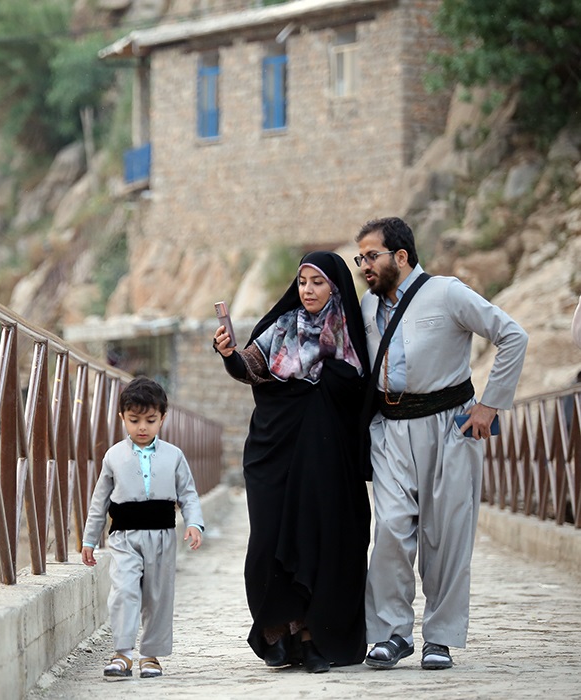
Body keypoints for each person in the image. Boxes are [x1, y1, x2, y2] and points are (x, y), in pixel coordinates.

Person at [354, 217, 528, 671]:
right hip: (390, 429)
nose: (363, 266)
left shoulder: (447, 292)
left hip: (450, 426)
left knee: (447, 534)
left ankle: (440, 638)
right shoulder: (367, 308)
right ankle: (391, 635)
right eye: (360, 258)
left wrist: (490, 406)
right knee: (390, 528)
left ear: (402, 256)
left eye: (371, 256)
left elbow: (512, 335)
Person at [213, 250, 371, 673]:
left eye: (317, 282)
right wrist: (230, 354)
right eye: (302, 281)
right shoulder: (281, 327)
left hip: (326, 460)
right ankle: (275, 630)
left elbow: (362, 394)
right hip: (273, 452)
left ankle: (313, 636)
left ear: (335, 287)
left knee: (319, 541)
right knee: (268, 539)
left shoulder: (353, 335)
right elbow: (251, 367)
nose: (307, 290)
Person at [81, 376, 205, 680]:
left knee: (157, 596)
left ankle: (150, 655)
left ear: (163, 418)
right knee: (123, 591)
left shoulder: (174, 456)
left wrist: (194, 523)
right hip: (123, 537)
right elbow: (100, 501)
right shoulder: (113, 456)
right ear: (122, 417)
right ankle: (122, 654)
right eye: (134, 420)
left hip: (163, 537)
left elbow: (188, 493)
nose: (142, 427)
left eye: (150, 420)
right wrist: (89, 539)